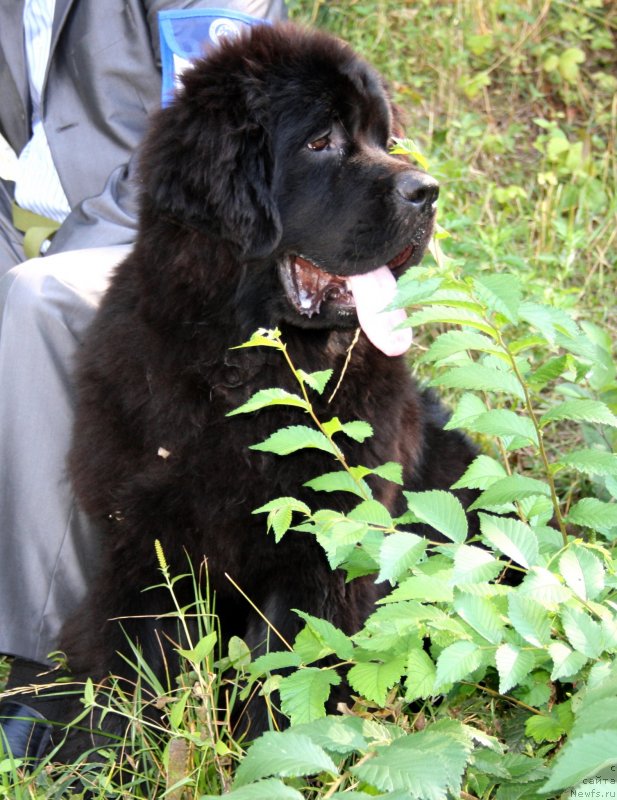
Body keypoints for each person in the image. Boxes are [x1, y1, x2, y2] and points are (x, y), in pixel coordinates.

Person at [0, 0, 286, 761]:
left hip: (184, 237)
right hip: (41, 222)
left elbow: (213, 147)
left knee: (36, 302)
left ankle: (43, 679)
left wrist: (45, 256)